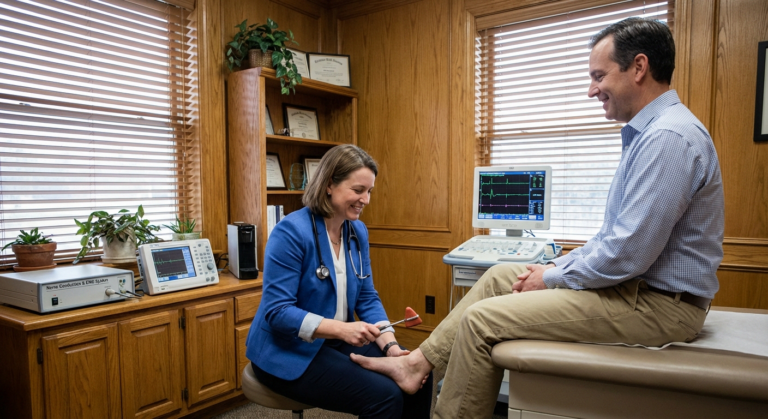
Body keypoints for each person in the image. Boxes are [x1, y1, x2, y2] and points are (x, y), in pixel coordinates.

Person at [351, 17, 724, 419]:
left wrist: (551, 277)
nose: (591, 89)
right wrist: (552, 267)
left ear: (638, 67)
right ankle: (415, 365)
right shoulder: (651, 135)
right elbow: (611, 239)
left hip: (660, 306)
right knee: (499, 276)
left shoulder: (668, 138)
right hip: (635, 290)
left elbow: (626, 253)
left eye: (599, 76)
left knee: (480, 320)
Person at [245, 144, 433, 418]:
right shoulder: (291, 232)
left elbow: (367, 297)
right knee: (384, 396)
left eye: (369, 191)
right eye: (358, 190)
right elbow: (278, 312)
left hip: (332, 341)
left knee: (418, 375)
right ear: (329, 185)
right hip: (285, 348)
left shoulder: (357, 231)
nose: (365, 199)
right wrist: (342, 329)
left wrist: (390, 346)